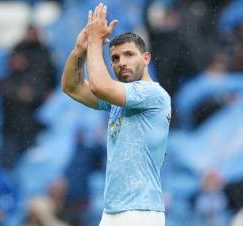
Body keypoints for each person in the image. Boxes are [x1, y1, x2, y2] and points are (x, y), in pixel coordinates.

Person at [61, 3, 171, 226]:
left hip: (141, 212)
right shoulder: (118, 101)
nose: (122, 63)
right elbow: (71, 87)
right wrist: (79, 51)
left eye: (129, 55)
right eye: (115, 58)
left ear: (146, 58)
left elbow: (100, 86)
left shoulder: (153, 94)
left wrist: (94, 41)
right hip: (113, 211)